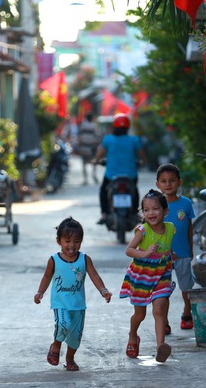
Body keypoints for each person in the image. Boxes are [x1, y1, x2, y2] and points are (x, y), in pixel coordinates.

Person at [34, 217, 112, 371]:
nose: (71, 245)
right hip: (60, 303)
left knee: (75, 336)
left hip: (78, 305)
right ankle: (56, 345)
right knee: (63, 324)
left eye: (76, 241)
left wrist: (103, 290)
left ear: (81, 241)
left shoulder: (84, 259)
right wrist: (40, 292)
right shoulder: (54, 260)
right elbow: (46, 277)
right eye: (67, 241)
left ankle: (70, 358)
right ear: (59, 241)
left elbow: (94, 276)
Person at [120, 189, 175, 363]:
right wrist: (144, 254)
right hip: (142, 276)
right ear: (142, 212)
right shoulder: (142, 230)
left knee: (159, 309)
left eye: (155, 209)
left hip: (162, 274)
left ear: (165, 211)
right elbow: (129, 250)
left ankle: (160, 347)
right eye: (146, 210)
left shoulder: (170, 228)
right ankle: (133, 335)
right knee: (140, 315)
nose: (151, 213)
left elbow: (166, 247)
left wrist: (171, 254)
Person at [156, 163, 196, 331]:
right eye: (164, 181)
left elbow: (189, 228)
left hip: (182, 252)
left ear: (179, 182)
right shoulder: (156, 205)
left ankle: (187, 312)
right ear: (158, 184)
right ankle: (164, 321)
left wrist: (191, 249)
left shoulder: (186, 204)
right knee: (164, 290)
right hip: (161, 256)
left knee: (186, 287)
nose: (168, 184)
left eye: (172, 180)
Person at [91, 113, 147, 225]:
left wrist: (95, 161)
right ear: (127, 127)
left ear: (114, 126)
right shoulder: (134, 140)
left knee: (103, 190)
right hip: (130, 175)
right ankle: (135, 213)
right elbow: (142, 155)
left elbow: (100, 153)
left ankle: (104, 214)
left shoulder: (108, 139)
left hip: (111, 176)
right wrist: (144, 162)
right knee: (134, 191)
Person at [76, 113, 101, 185]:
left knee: (84, 164)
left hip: (83, 148)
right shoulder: (94, 126)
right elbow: (97, 138)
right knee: (94, 162)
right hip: (92, 148)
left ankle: (85, 179)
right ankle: (94, 176)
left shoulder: (82, 126)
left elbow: (79, 137)